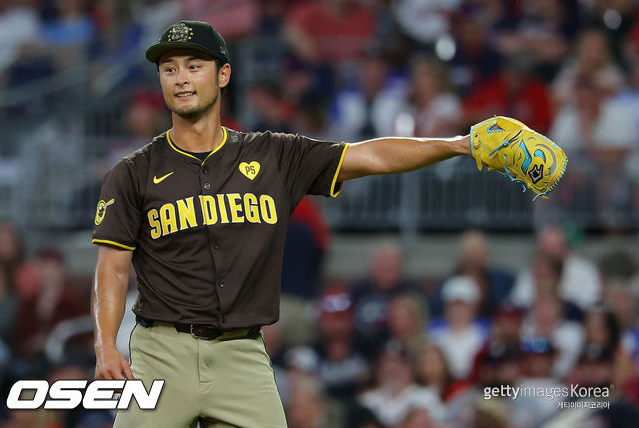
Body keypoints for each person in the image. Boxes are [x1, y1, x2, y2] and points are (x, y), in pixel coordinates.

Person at [91, 20, 560, 428]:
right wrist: (106, 345)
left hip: (242, 353)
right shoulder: (131, 172)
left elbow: (369, 155)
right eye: (169, 68)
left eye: (194, 66)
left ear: (224, 73)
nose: (181, 79)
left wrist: (457, 144)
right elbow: (112, 266)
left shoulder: (275, 154)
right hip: (160, 354)